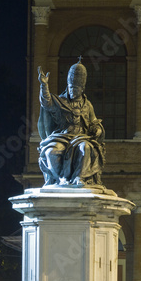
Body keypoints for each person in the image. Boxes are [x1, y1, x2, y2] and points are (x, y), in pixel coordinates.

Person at [36, 58, 105, 188]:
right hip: (62, 137)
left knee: (85, 148)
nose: (73, 91)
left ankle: (79, 177)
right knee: (51, 152)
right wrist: (44, 85)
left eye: (76, 88)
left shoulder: (87, 105)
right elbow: (47, 103)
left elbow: (94, 122)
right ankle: (61, 179)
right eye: (71, 88)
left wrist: (98, 130)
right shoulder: (60, 101)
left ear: (82, 89)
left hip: (81, 138)